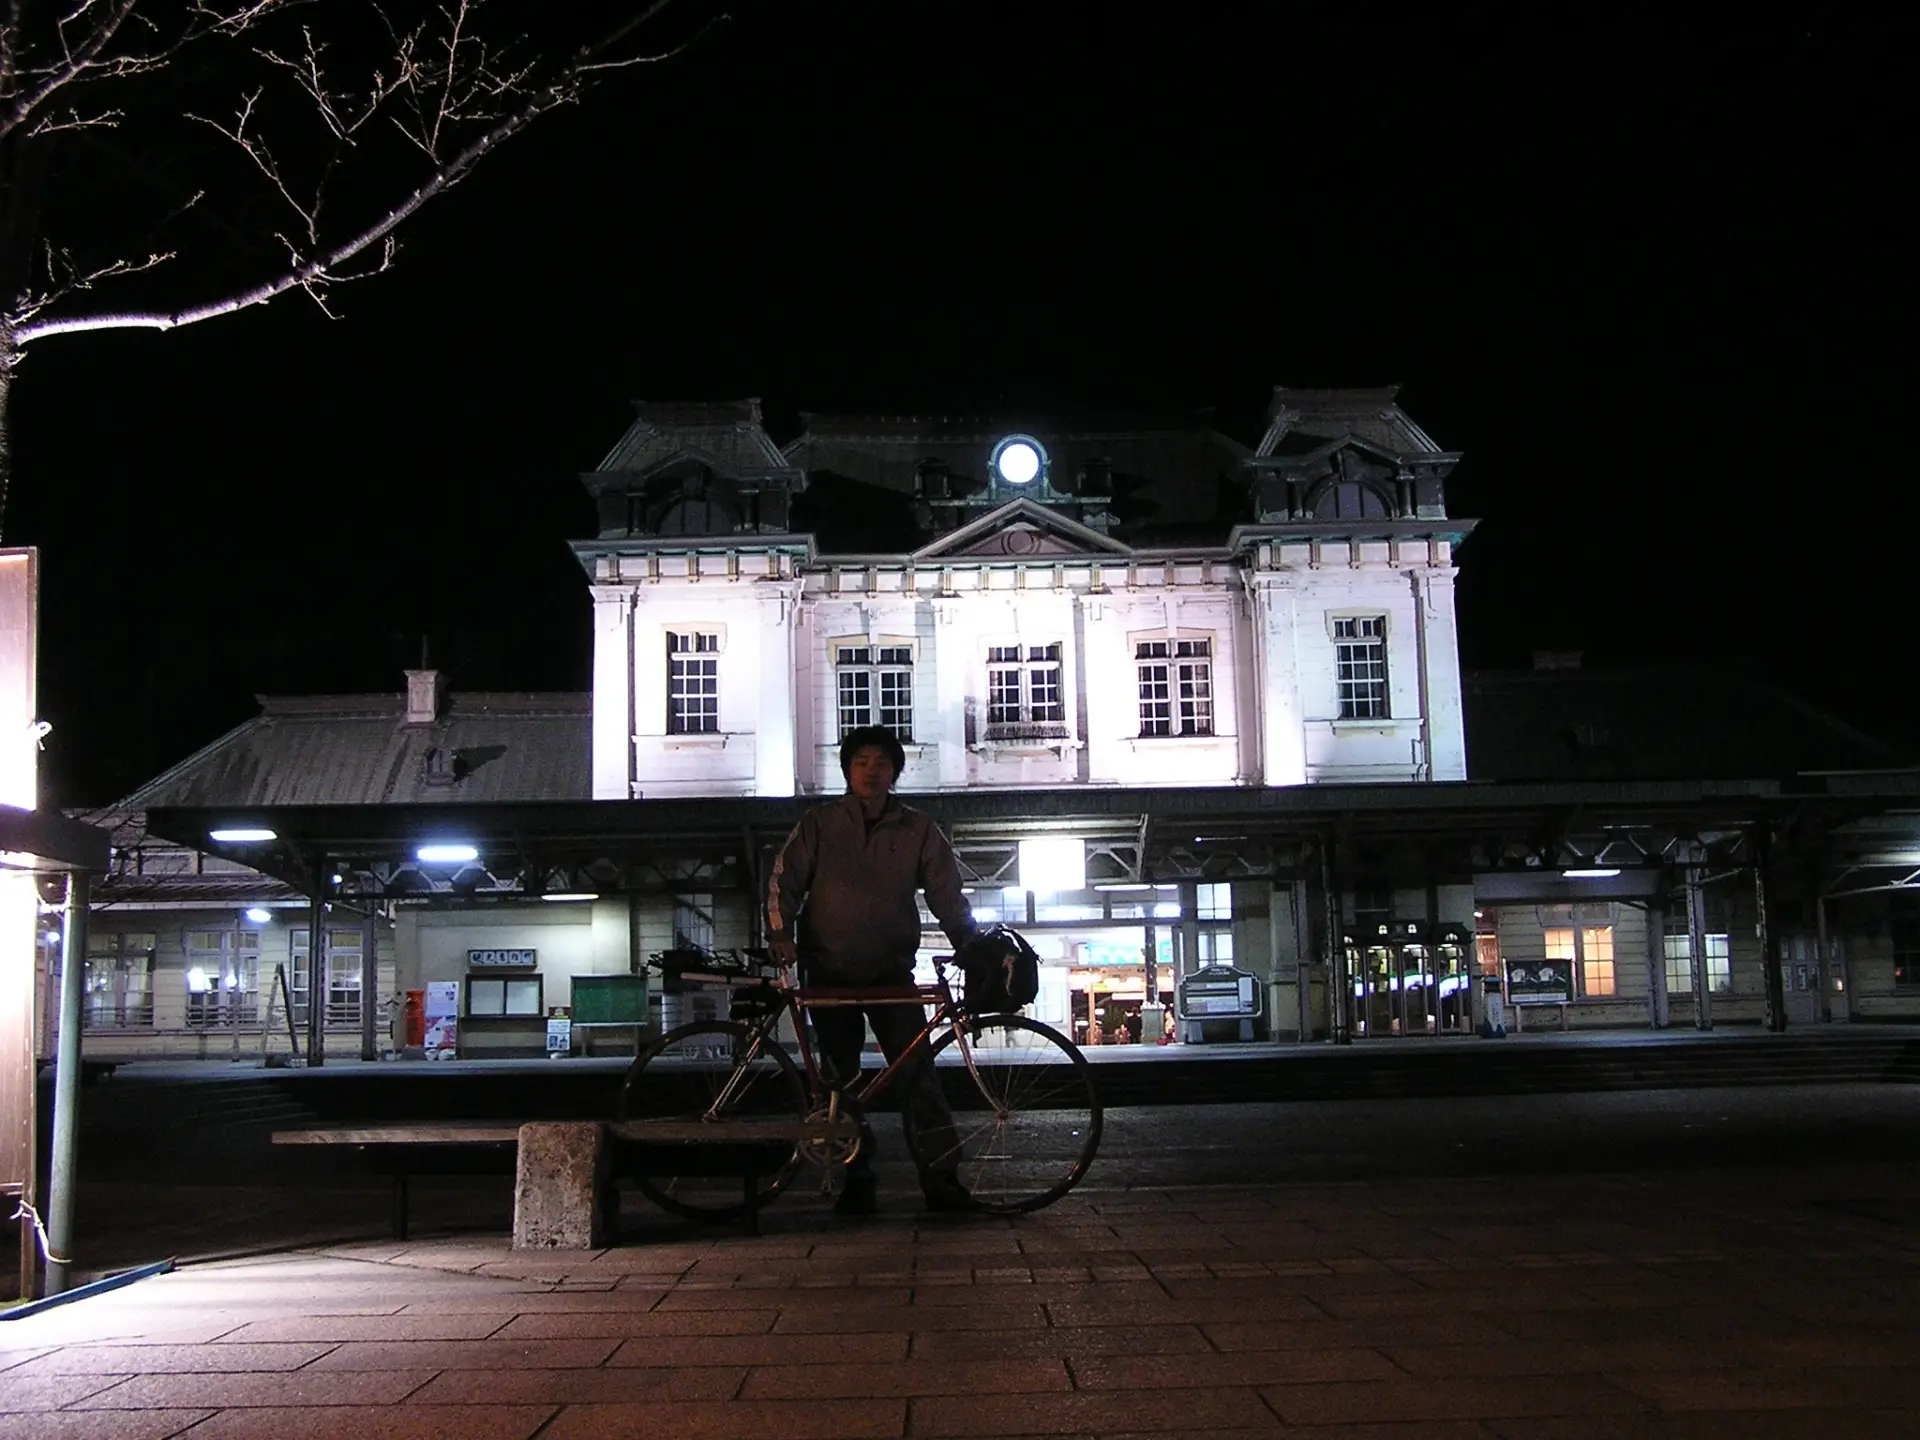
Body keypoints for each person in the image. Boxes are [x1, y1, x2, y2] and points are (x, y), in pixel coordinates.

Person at [765, 725, 978, 1215]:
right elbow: (784, 880)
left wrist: (966, 938)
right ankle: (854, 1178)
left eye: (881, 763)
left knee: (918, 1075)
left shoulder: (919, 829)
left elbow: (946, 891)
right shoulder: (818, 824)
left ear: (895, 772)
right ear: (846, 769)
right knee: (838, 1082)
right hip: (828, 971)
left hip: (891, 975)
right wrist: (782, 935)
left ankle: (941, 1179)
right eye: (861, 761)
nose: (871, 771)